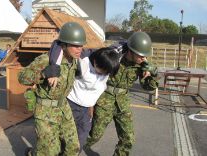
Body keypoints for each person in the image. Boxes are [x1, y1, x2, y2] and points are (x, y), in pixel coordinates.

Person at [18, 22, 87, 156]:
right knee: (50, 151)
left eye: (81, 45)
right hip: (46, 112)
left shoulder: (74, 60)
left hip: (64, 108)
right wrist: (43, 74)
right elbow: (22, 77)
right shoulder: (46, 60)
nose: (79, 49)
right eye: (75, 45)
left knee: (73, 148)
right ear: (64, 45)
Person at [85, 32, 159, 155]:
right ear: (131, 51)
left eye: (145, 56)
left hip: (122, 102)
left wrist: (153, 74)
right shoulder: (114, 55)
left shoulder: (141, 65)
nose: (143, 58)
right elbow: (94, 68)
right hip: (104, 99)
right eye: (141, 55)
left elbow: (148, 87)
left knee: (128, 139)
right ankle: (70, 150)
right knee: (94, 135)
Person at [47, 44, 120, 152]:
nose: (104, 74)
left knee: (80, 140)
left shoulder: (110, 60)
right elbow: (59, 43)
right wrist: (54, 69)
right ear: (95, 62)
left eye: (107, 73)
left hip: (86, 111)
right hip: (70, 105)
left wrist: (145, 64)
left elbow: (128, 45)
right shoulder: (84, 61)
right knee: (61, 138)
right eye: (103, 71)